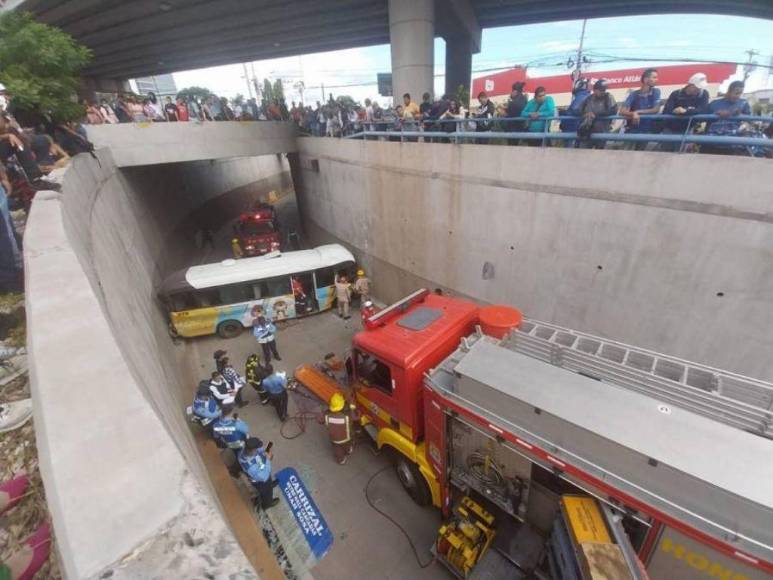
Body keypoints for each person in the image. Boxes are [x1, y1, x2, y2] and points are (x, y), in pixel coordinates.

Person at [704, 80, 752, 155]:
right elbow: (702, 118)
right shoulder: (714, 103)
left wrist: (740, 116)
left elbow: (748, 121)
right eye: (736, 93)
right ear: (729, 91)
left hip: (733, 144)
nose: (738, 96)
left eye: (740, 93)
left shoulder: (744, 103)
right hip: (712, 143)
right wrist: (715, 114)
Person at [620, 68, 661, 149]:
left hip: (647, 131)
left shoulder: (656, 91)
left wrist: (637, 112)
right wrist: (633, 113)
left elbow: (656, 109)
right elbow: (622, 111)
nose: (657, 79)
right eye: (654, 77)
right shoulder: (634, 94)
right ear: (646, 79)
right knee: (624, 154)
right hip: (632, 129)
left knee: (639, 155)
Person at [238, 437, 279, 510]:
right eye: (257, 448)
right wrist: (268, 460)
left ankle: (270, 485)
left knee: (268, 484)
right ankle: (267, 504)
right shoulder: (251, 468)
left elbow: (259, 450)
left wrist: (265, 452)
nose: (258, 448)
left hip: (263, 476)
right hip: (261, 482)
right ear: (252, 450)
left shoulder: (244, 451)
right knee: (267, 494)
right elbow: (264, 476)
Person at [320, 393, 359, 465]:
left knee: (338, 450)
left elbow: (320, 420)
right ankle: (348, 450)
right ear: (342, 406)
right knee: (348, 444)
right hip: (346, 438)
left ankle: (341, 460)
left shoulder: (327, 417)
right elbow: (355, 418)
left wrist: (324, 412)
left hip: (335, 439)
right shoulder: (346, 417)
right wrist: (352, 408)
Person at [577, 80, 618, 149]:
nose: (603, 92)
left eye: (604, 90)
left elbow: (613, 111)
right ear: (595, 90)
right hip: (588, 132)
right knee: (583, 155)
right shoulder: (589, 98)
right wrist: (586, 114)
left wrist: (596, 114)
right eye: (601, 90)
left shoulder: (608, 97)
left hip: (602, 132)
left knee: (600, 156)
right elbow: (578, 111)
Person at [560, 78, 591, 146]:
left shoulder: (581, 96)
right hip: (577, 130)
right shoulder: (585, 96)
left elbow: (575, 111)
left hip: (574, 130)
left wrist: (564, 113)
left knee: (570, 154)